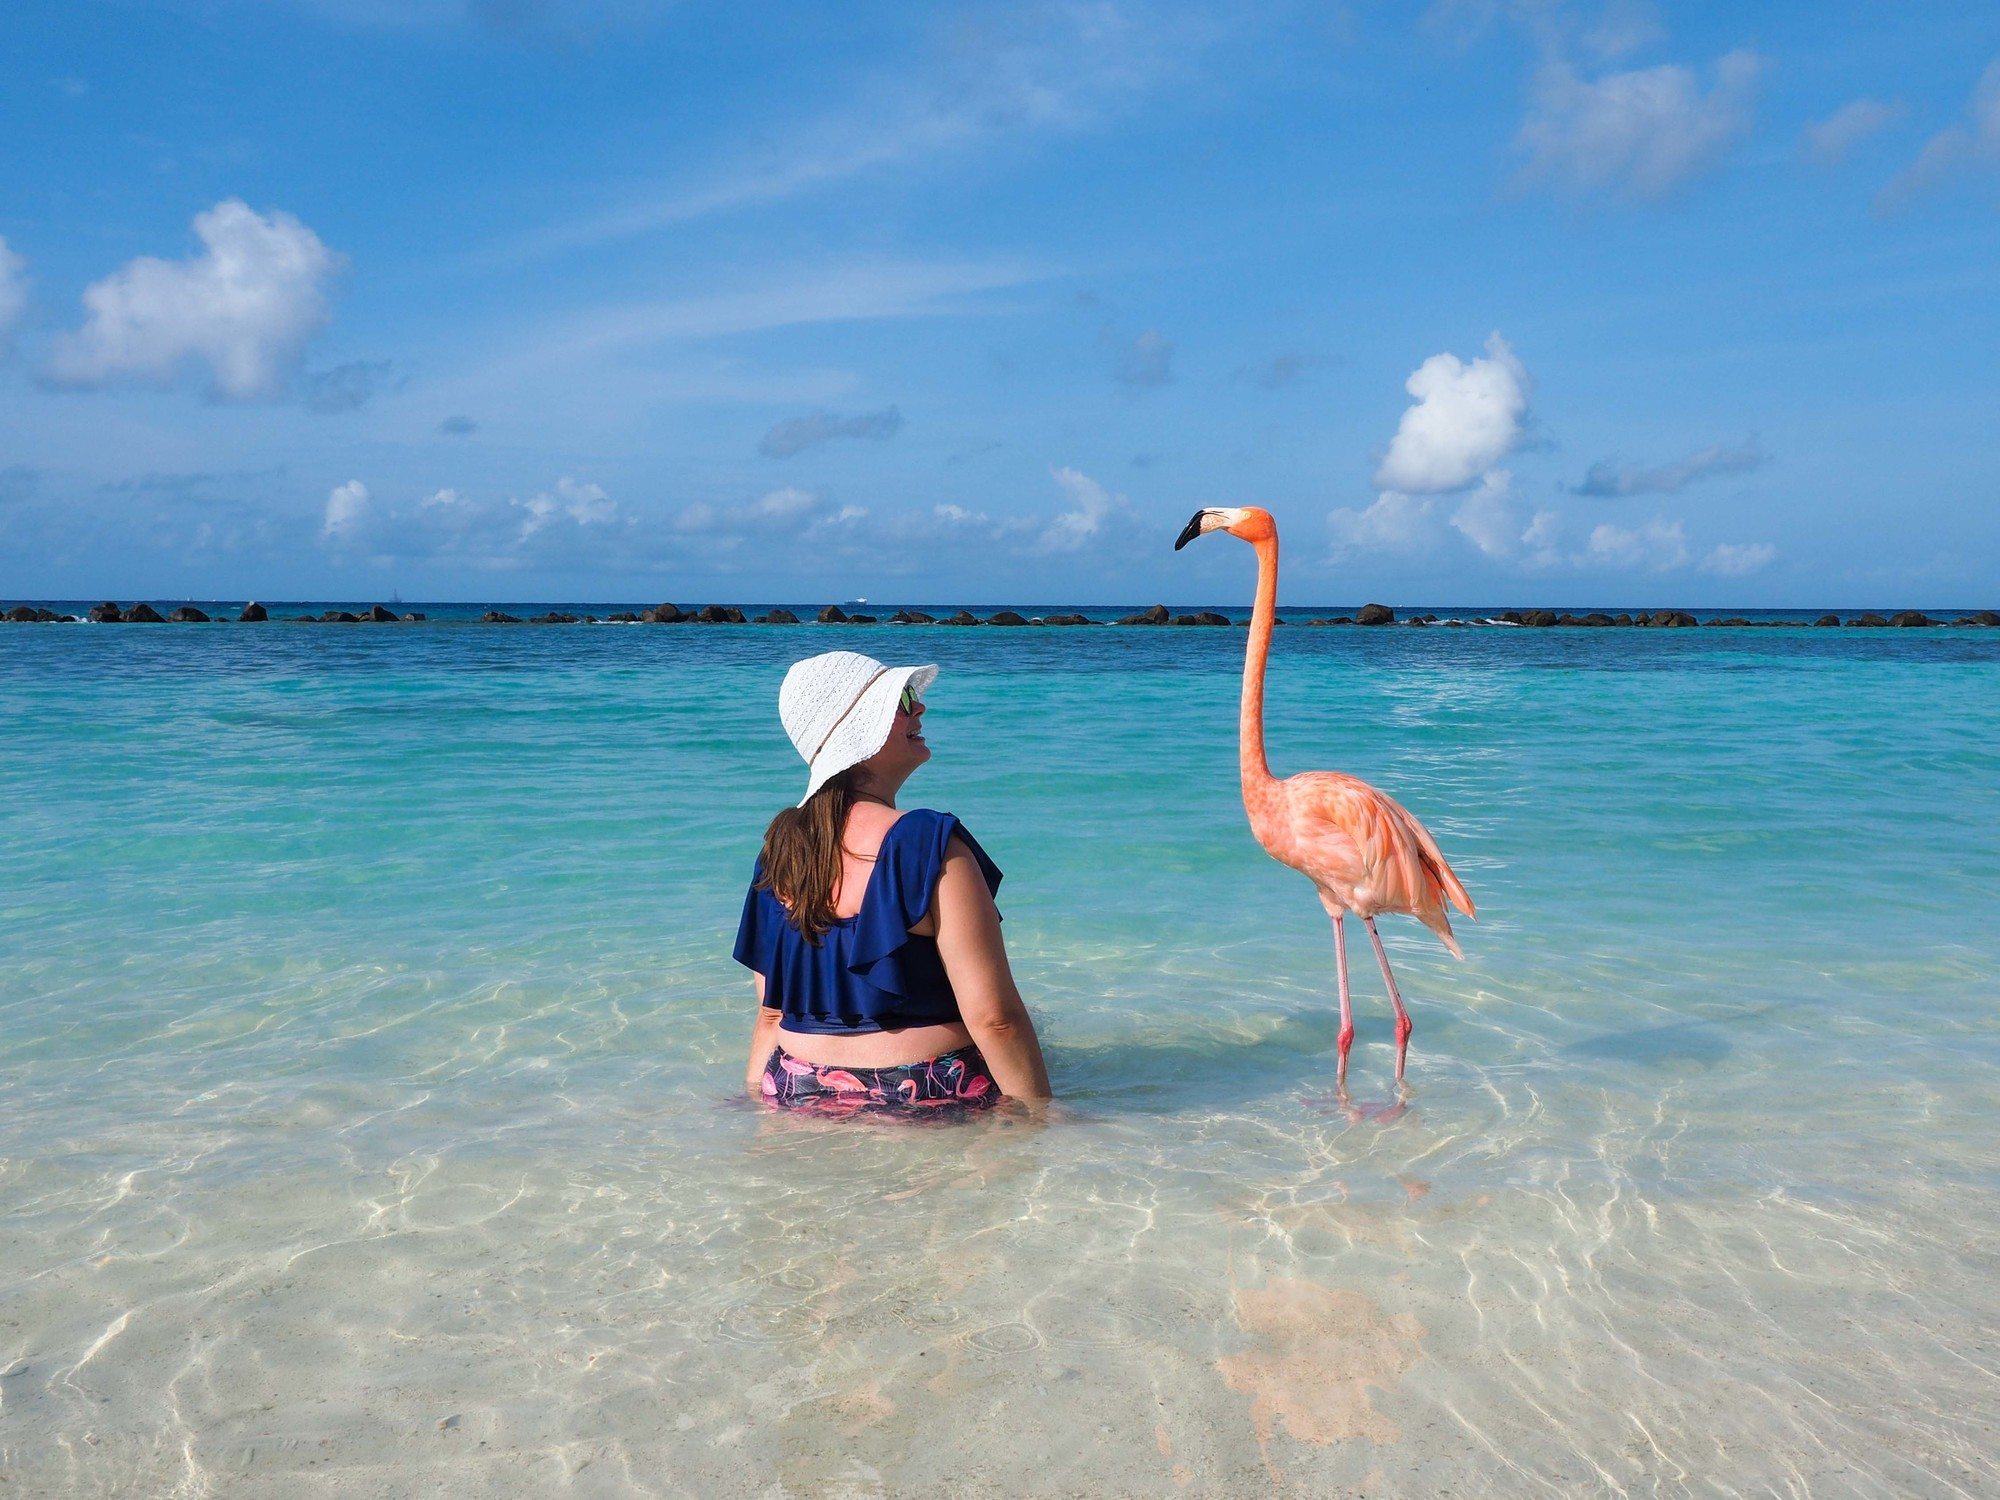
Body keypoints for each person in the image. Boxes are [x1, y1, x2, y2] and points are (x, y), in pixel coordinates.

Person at [733, 650, 1052, 1117]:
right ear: (860, 726)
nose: (919, 708)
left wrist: (754, 1100)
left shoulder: (781, 851)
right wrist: (1045, 1121)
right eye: (903, 698)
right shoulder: (928, 842)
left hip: (793, 1085)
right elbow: (995, 1020)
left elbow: (771, 1012)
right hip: (927, 1089)